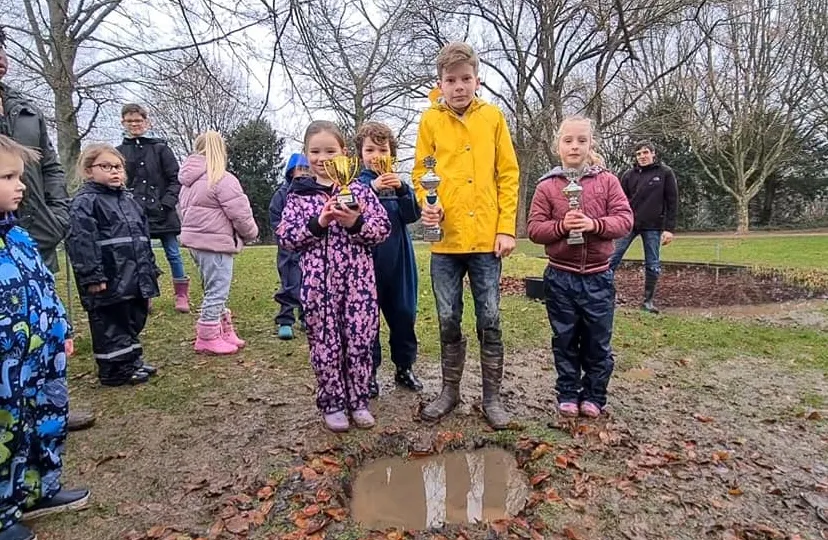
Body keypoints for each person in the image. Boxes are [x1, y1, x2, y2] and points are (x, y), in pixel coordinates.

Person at [413, 42, 519, 430]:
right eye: (450, 80)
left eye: (465, 79)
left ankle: (492, 398)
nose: (459, 86)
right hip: (445, 241)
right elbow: (420, 173)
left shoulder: (492, 118)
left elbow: (508, 174)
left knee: (490, 317)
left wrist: (506, 227)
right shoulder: (429, 121)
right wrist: (428, 202)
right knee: (447, 318)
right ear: (439, 83)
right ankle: (449, 391)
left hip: (486, 240)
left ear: (477, 79)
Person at [0, 26, 95, 431]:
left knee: (43, 321)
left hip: (35, 231)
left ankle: (48, 407)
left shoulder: (24, 109)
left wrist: (58, 212)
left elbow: (52, 165)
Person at [0, 134, 89, 540]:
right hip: (7, 366)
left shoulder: (17, 237)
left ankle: (38, 489)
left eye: (19, 176)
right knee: (7, 433)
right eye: (8, 177)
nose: (21, 186)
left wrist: (61, 328)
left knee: (42, 421)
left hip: (41, 358)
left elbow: (43, 287)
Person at [277, 120, 390, 432]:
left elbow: (382, 229)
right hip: (319, 285)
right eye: (315, 151)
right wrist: (319, 223)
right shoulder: (298, 195)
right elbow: (286, 237)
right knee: (325, 342)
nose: (322, 157)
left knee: (359, 339)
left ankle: (359, 400)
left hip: (359, 284)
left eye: (330, 150)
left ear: (344, 153)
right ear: (305, 154)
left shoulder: (360, 190)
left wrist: (355, 222)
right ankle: (333, 402)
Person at [527, 116, 633, 417]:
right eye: (568, 140)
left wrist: (594, 224)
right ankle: (568, 393)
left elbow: (625, 220)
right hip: (560, 277)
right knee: (565, 339)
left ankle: (595, 395)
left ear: (591, 145)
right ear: (558, 145)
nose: (575, 146)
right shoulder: (547, 187)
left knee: (598, 341)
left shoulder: (608, 181)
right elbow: (534, 229)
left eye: (581, 141)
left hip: (598, 276)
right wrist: (561, 226)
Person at [67, 144, 161, 387]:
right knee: (110, 321)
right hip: (108, 275)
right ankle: (113, 369)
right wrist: (92, 275)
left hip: (134, 273)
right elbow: (81, 242)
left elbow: (142, 238)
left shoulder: (129, 201)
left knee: (132, 316)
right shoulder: (85, 203)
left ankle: (131, 359)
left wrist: (150, 269)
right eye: (105, 167)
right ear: (89, 171)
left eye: (118, 167)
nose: (114, 172)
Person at [355, 121, 422, 397]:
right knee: (368, 321)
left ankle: (404, 367)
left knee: (404, 315)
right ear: (360, 154)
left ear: (391, 154)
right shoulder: (356, 183)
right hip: (367, 262)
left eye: (382, 149)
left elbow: (413, 215)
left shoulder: (398, 183)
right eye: (369, 149)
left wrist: (404, 190)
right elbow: (352, 210)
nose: (376, 155)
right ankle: (368, 374)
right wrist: (371, 188)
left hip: (400, 260)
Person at [178, 131, 258, 355]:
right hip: (216, 243)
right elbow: (240, 212)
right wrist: (250, 233)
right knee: (217, 290)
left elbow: (181, 211)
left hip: (196, 243)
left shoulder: (187, 182)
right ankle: (208, 335)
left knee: (212, 287)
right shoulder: (222, 178)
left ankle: (223, 329)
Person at [117, 103, 190, 313]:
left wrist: (167, 202)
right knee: (142, 255)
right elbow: (121, 182)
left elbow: (175, 179)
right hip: (136, 214)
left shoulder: (160, 148)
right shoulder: (120, 152)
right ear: (123, 123)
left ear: (146, 122)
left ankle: (181, 295)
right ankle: (146, 293)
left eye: (138, 120)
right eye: (130, 121)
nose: (134, 124)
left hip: (163, 211)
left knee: (173, 253)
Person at [609, 140, 678, 313]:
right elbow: (619, 200)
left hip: (653, 226)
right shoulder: (628, 175)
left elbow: (672, 201)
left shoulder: (665, 173)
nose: (642, 156)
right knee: (611, 260)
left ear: (653, 154)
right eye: (639, 154)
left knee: (652, 264)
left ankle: (648, 301)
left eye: (645, 152)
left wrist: (669, 229)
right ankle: (607, 296)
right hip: (629, 224)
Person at [269, 153, 308, 340]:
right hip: (288, 249)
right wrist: (286, 234)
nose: (302, 174)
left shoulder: (311, 194)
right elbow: (275, 217)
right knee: (290, 283)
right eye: (299, 169)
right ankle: (285, 319)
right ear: (291, 172)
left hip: (309, 247)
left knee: (309, 284)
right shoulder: (282, 194)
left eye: (306, 170)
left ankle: (307, 317)